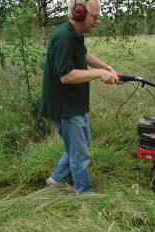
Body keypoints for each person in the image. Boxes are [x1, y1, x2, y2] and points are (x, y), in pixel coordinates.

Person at [40, 0, 119, 195]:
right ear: (79, 13)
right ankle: (85, 194)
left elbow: (84, 55)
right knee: (80, 154)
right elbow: (65, 76)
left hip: (76, 104)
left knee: (81, 146)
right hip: (64, 107)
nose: (97, 21)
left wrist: (108, 68)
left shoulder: (76, 35)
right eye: (95, 16)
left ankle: (56, 179)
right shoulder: (63, 37)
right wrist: (99, 74)